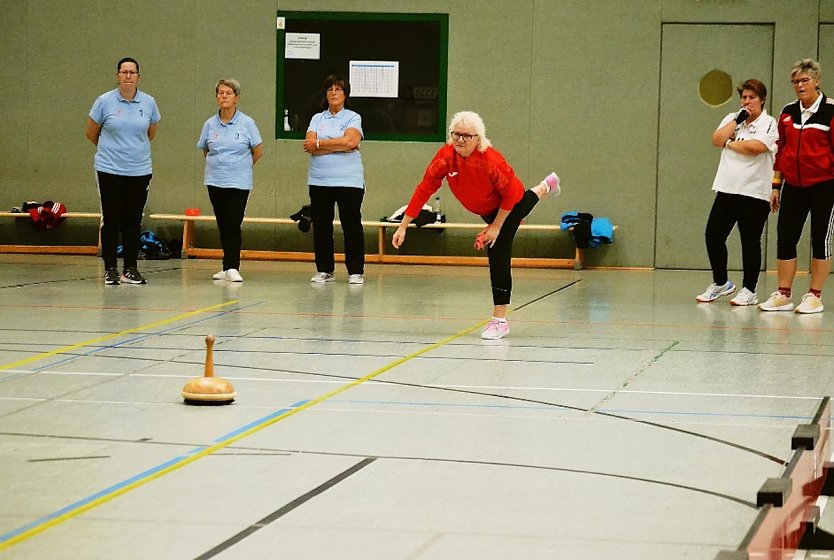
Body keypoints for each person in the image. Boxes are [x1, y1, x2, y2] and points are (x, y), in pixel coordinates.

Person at [392, 111, 560, 340]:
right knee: (498, 237)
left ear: (478, 139)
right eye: (456, 134)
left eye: (466, 136)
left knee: (497, 248)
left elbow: (510, 197)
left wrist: (496, 227)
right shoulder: (445, 156)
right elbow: (425, 188)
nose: (460, 140)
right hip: (486, 210)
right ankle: (545, 187)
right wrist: (403, 225)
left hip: (508, 203)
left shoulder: (492, 161)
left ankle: (500, 320)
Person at [760, 59, 834, 314]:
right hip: (793, 185)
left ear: (816, 81)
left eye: (804, 81)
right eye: (795, 82)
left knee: (820, 239)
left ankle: (814, 296)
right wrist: (776, 186)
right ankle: (783, 294)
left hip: (825, 187)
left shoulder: (831, 111)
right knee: (786, 236)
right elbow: (782, 150)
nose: (799, 86)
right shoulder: (788, 112)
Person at [695, 79, 777, 306]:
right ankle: (721, 283)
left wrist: (730, 145)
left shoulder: (769, 123)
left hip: (754, 192)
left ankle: (749, 290)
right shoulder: (733, 119)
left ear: (762, 99)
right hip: (727, 188)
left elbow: (757, 148)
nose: (747, 102)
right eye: (744, 97)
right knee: (713, 235)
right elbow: (716, 139)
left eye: (752, 97)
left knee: (750, 241)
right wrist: (736, 122)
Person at [85, 57, 161, 285]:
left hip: (139, 170)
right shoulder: (104, 101)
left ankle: (130, 268)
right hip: (110, 169)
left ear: (138, 76)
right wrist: (114, 152)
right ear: (117, 75)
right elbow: (91, 133)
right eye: (124, 72)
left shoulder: (149, 103)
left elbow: (151, 132)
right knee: (111, 219)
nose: (128, 76)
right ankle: (110, 269)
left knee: (133, 220)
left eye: (132, 72)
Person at [197, 79, 263, 283]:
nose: (224, 96)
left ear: (237, 98)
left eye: (228, 93)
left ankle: (233, 266)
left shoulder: (247, 123)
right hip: (215, 181)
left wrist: (239, 166)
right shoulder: (209, 124)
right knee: (222, 224)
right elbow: (206, 150)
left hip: (239, 183)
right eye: (221, 93)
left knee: (233, 224)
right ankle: (225, 267)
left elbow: (257, 151)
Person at [302, 74, 366, 285]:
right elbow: (309, 145)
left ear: (345, 94)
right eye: (330, 89)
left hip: (349, 181)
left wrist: (321, 145)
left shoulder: (353, 117)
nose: (334, 93)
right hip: (320, 180)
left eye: (338, 89)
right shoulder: (317, 118)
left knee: (351, 225)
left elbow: (351, 141)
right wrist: (338, 145)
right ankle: (325, 270)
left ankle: (355, 271)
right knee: (321, 226)